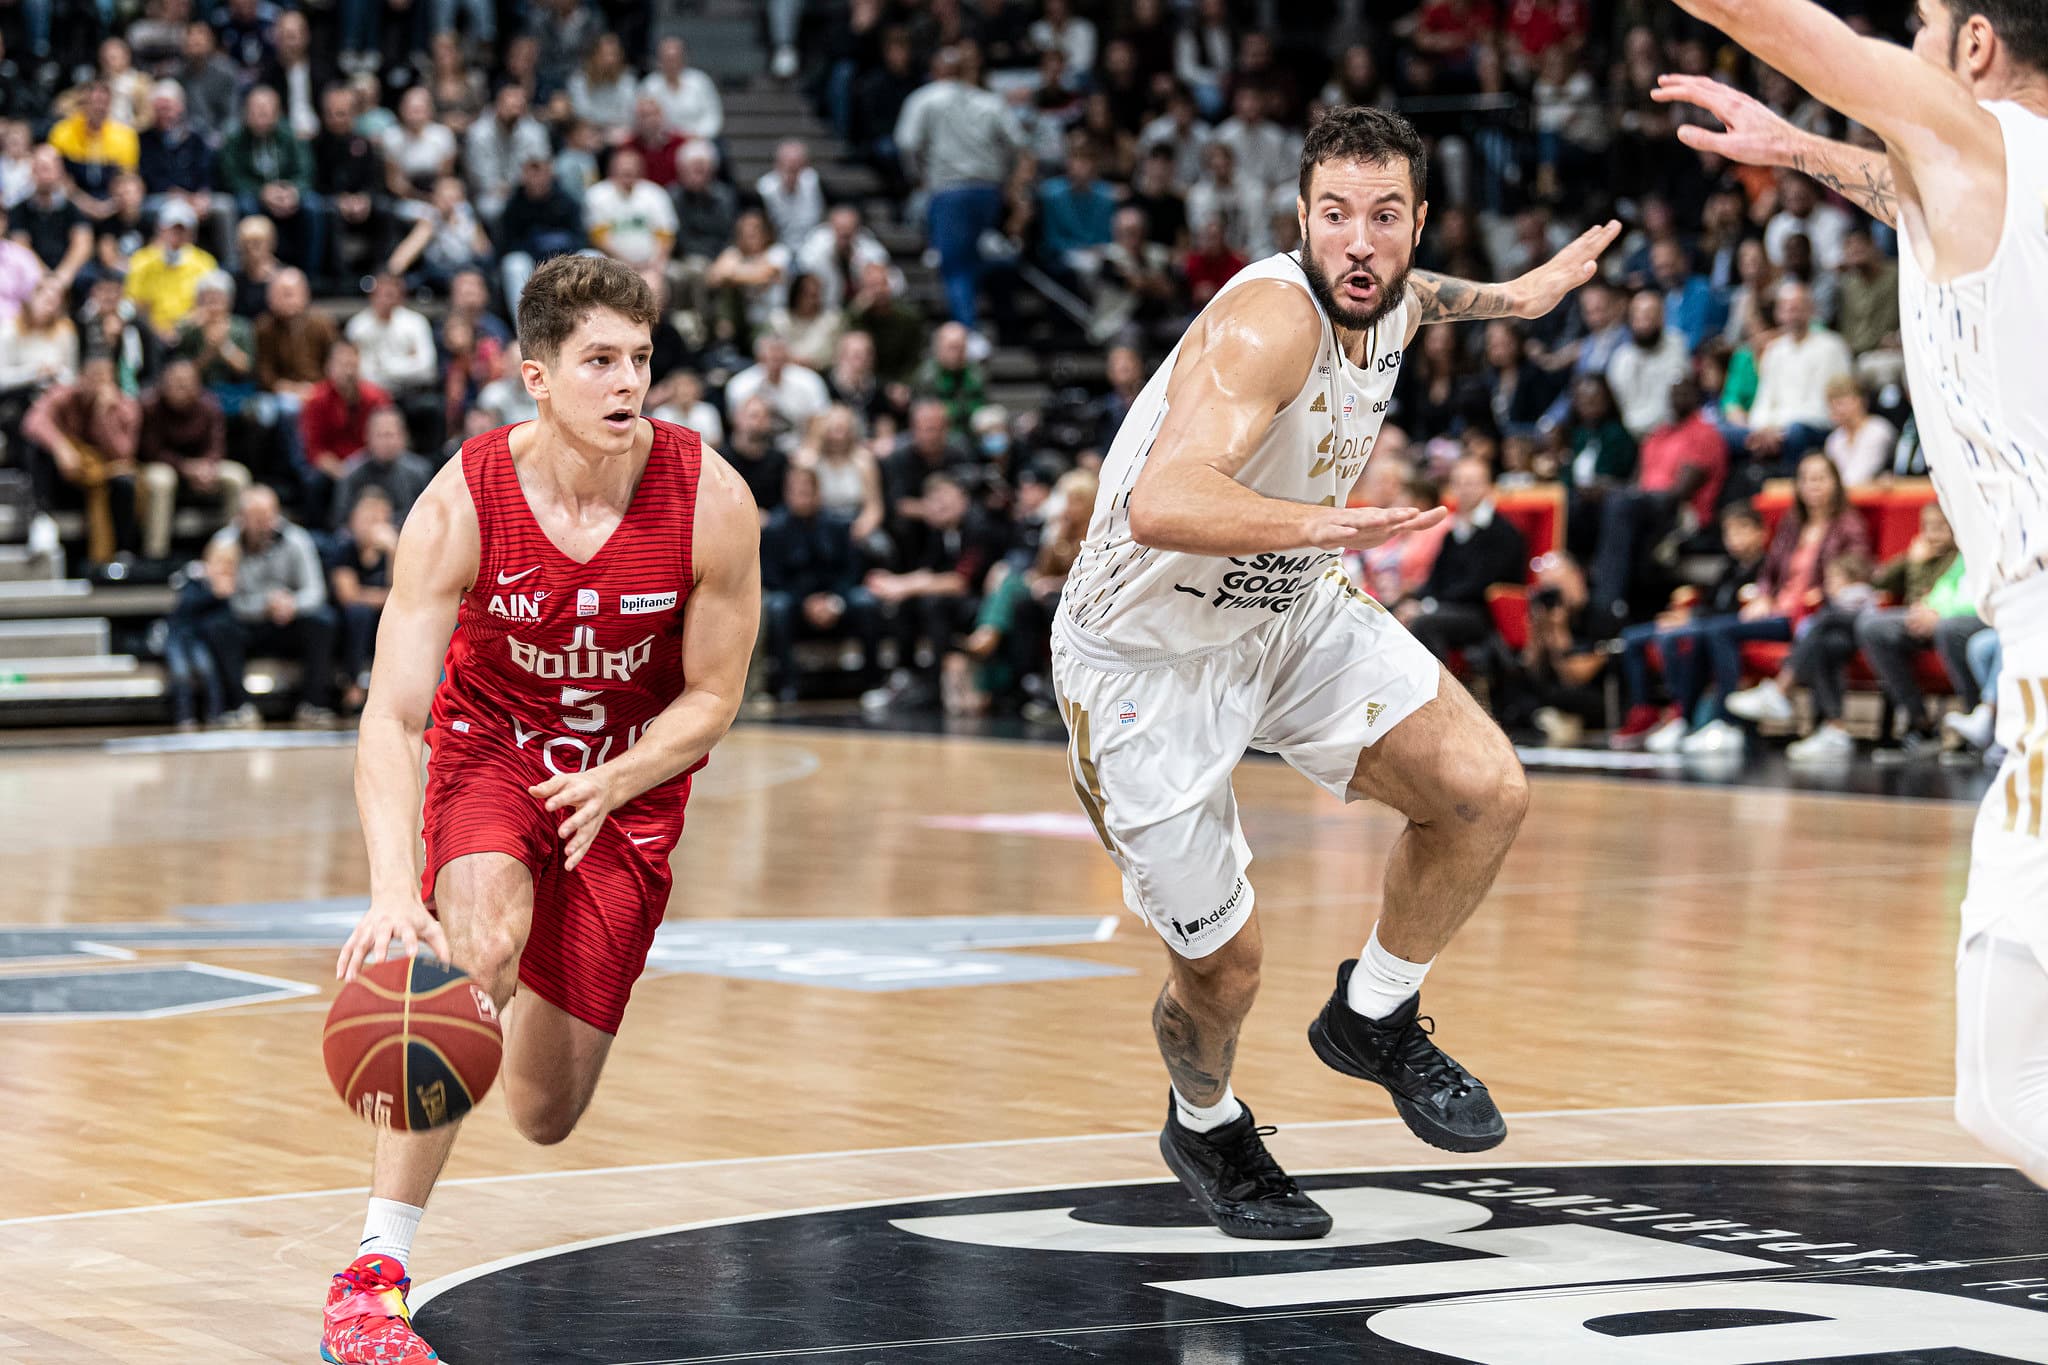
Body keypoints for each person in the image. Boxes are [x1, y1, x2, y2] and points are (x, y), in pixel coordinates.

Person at [1051, 106, 1617, 1238]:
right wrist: (1320, 524)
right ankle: (1203, 1121)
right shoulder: (1268, 323)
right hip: (1145, 660)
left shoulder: (1395, 292)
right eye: (1334, 216)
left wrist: (1520, 298)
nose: (1359, 242)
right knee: (1222, 969)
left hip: (1286, 609)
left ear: (1415, 219)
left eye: (1385, 216)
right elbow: (1164, 502)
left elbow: (1431, 293)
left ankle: (1374, 1015)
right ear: (1297, 218)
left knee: (1480, 793)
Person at [320, 255, 758, 1365]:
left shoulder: (710, 499)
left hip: (629, 782)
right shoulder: (457, 503)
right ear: (536, 377)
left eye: (641, 361)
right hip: (494, 753)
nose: (627, 385)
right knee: (479, 945)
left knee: (544, 1110)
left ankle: (486, 1020)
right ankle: (371, 1277)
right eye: (599, 362)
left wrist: (619, 778)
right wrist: (387, 899)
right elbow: (391, 719)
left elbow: (712, 694)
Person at [1658, 0, 2048, 1185]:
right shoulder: (1985, 181)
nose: (1907, 37)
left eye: (1922, 21)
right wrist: (1796, 152)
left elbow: (1783, 25)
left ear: (1973, 45)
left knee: (2003, 1090)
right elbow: (1909, 185)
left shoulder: (1982, 144)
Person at [202, 482, 339, 725]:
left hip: (289, 619)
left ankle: (313, 704)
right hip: (249, 620)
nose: (265, 524)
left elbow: (315, 591)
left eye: (269, 516)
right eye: (257, 518)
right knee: (218, 626)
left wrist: (291, 604)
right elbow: (230, 600)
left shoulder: (297, 539)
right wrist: (265, 605)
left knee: (323, 621)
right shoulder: (224, 544)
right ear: (241, 518)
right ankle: (240, 706)